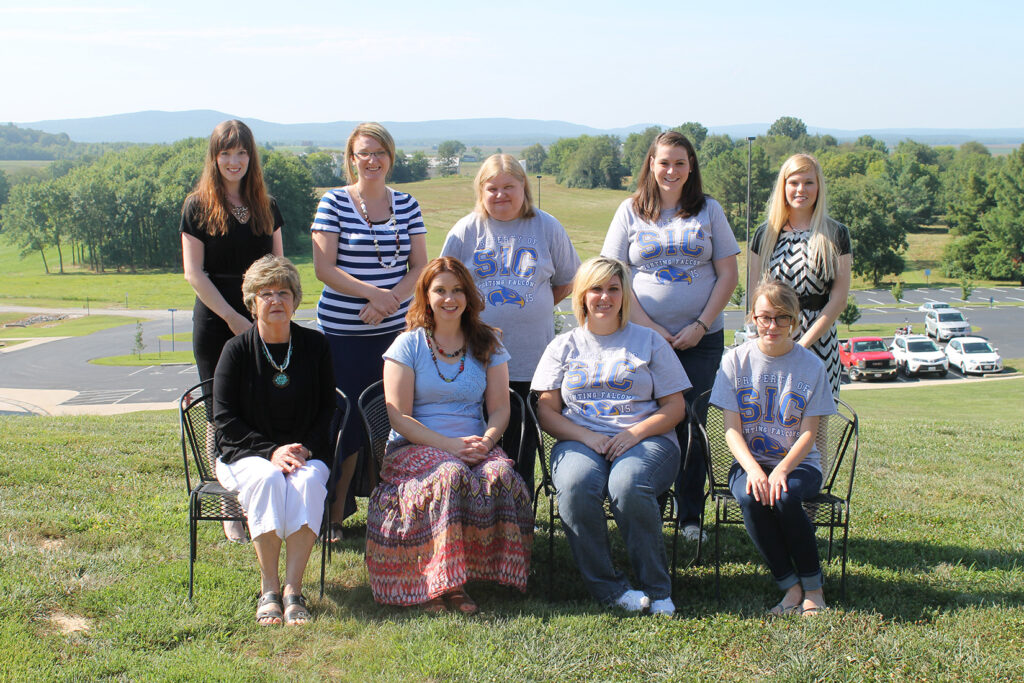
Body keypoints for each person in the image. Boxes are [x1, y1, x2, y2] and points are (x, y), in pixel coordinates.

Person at [365, 257, 533, 614]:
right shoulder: (408, 345)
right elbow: (398, 417)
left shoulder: (488, 343)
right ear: (426, 296)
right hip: (414, 446)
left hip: (474, 445)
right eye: (440, 290)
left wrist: (487, 442)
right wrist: (448, 446)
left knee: (500, 473)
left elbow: (500, 409)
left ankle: (479, 573)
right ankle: (442, 584)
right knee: (450, 474)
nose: (449, 298)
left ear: (469, 296)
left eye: (457, 290)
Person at [601, 130, 738, 544]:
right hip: (642, 338)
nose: (671, 170)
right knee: (649, 420)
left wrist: (700, 325)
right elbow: (612, 274)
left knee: (692, 423)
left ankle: (690, 516)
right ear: (651, 164)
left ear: (691, 166)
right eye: (664, 162)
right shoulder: (630, 211)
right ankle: (650, 508)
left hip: (701, 340)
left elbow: (728, 274)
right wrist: (652, 329)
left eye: (680, 163)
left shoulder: (709, 210)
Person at [531, 257, 690, 614]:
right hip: (580, 440)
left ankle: (657, 589)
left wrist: (634, 433)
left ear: (624, 295)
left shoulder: (649, 340)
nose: (605, 297)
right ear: (582, 296)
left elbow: (675, 407)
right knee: (575, 485)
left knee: (628, 483)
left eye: (613, 289)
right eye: (596, 289)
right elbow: (546, 412)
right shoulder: (563, 345)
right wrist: (585, 437)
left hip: (647, 440)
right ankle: (610, 589)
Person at [311, 123, 428, 539]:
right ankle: (333, 514)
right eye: (364, 153)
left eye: (379, 152)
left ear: (390, 157)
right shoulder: (333, 202)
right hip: (343, 336)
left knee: (391, 421)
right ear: (351, 158)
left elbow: (420, 266)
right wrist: (373, 296)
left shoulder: (408, 204)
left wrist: (390, 301)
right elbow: (323, 268)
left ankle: (391, 512)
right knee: (346, 424)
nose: (372, 160)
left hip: (395, 335)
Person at [441, 153, 580, 493]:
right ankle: (477, 505)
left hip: (530, 357)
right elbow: (441, 287)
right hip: (474, 358)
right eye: (492, 188)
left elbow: (569, 279)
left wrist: (536, 305)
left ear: (524, 188)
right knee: (477, 438)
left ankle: (519, 506)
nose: (500, 194)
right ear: (481, 191)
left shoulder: (546, 226)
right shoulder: (466, 231)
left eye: (509, 187)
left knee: (521, 442)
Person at [212, 255, 336, 626]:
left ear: (295, 300)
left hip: (304, 452)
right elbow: (224, 420)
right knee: (268, 479)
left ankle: (293, 590)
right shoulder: (236, 351)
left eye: (283, 292)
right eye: (265, 293)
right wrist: (271, 451)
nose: (276, 300)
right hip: (245, 454)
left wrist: (305, 448)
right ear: (252, 304)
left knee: (307, 481)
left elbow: (328, 410)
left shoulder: (315, 346)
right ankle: (269, 588)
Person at [181, 119, 283, 543]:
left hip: (263, 319)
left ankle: (260, 497)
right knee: (218, 411)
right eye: (226, 153)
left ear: (250, 156)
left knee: (262, 404)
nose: (234, 161)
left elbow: (279, 268)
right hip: (215, 319)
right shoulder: (197, 206)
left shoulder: (266, 205)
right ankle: (228, 507)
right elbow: (194, 273)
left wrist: (267, 315)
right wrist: (232, 317)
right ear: (215, 157)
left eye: (241, 152)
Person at [709, 279, 836, 617]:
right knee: (751, 496)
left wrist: (781, 470)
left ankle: (814, 588)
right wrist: (754, 470)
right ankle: (790, 587)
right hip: (750, 462)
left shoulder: (811, 366)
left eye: (782, 318)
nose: (772, 326)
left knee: (784, 496)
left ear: (795, 321)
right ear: (752, 318)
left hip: (799, 464)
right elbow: (732, 430)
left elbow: (809, 435)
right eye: (765, 317)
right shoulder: (734, 361)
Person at [750, 153, 852, 397]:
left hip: (820, 343)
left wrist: (801, 347)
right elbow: (753, 296)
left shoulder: (836, 233)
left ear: (819, 187)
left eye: (808, 182)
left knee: (817, 417)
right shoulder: (765, 234)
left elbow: (839, 300)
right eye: (794, 182)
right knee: (769, 413)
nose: (800, 190)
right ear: (783, 186)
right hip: (773, 337)